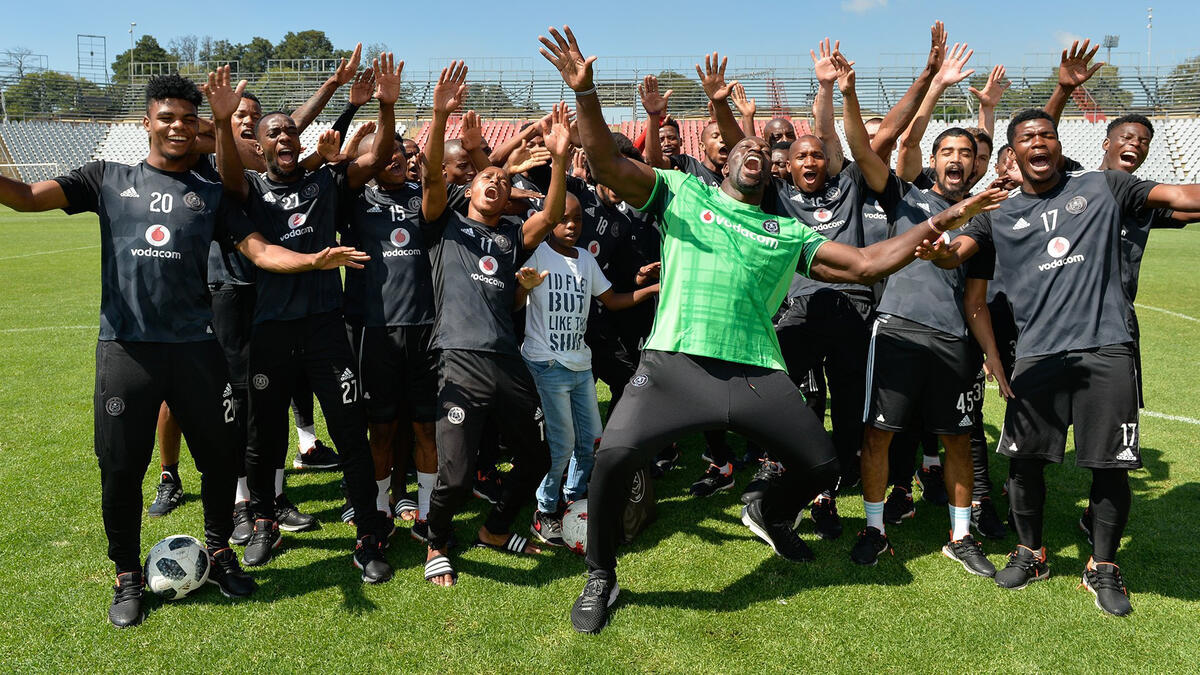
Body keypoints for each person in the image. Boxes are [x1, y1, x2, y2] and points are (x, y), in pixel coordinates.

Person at [539, 25, 1007, 634]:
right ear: (725, 159)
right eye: (743, 146)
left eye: (763, 149)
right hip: (674, 364)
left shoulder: (785, 233)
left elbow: (866, 263)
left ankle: (767, 506)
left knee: (820, 467)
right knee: (612, 463)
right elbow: (605, 160)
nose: (754, 149)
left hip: (755, 370)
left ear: (773, 173)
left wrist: (951, 214)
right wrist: (587, 92)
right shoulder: (681, 193)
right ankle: (602, 573)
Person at [0, 73, 370, 627]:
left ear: (197, 128)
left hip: (198, 349)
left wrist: (311, 261)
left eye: (187, 120)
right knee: (122, 469)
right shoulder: (106, 177)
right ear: (147, 122)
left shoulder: (212, 194)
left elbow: (262, 250)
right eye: (166, 117)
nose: (176, 127)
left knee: (220, 461)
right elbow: (27, 198)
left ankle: (219, 551)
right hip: (128, 351)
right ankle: (127, 573)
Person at [918, 107, 1200, 616]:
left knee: (1109, 467)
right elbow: (955, 253)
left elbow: (1181, 198)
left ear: (1058, 142)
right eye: (1027, 137)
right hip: (1036, 354)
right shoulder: (996, 212)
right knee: (1025, 465)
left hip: (1105, 348)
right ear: (1015, 151)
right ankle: (1031, 553)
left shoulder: (1104, 186)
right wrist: (937, 251)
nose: (1038, 143)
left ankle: (1103, 567)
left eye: (1046, 134)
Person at [206, 55, 403, 583]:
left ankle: (367, 533)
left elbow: (376, 156)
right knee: (263, 433)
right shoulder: (250, 191)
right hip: (269, 330)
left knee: (349, 431)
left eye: (291, 131)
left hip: (324, 328)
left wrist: (385, 107)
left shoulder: (327, 184)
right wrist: (224, 123)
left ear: (301, 139)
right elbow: (228, 174)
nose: (284, 139)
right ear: (261, 146)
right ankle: (265, 518)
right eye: (274, 134)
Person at [418, 63, 571, 587]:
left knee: (538, 457)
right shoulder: (444, 225)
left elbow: (550, 216)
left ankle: (497, 528)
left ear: (508, 199)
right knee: (456, 475)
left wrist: (561, 160)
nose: (496, 183)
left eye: (504, 182)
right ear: (472, 187)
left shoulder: (509, 237)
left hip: (508, 361)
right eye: (488, 177)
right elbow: (434, 175)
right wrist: (440, 116)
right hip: (457, 359)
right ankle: (436, 539)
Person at [521, 192, 659, 546]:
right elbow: (513, 302)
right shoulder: (536, 253)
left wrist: (657, 287)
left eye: (578, 220)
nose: (571, 225)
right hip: (547, 362)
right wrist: (524, 289)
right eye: (563, 219)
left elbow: (612, 300)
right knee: (561, 444)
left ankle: (573, 499)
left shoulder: (584, 259)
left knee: (591, 442)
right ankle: (545, 509)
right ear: (548, 220)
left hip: (581, 364)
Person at [340, 127, 440, 542]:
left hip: (427, 329)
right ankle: (378, 510)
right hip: (374, 331)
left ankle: (430, 511)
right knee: (379, 428)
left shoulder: (424, 196)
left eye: (399, 151)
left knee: (425, 427)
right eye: (383, 154)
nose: (395, 158)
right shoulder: (353, 202)